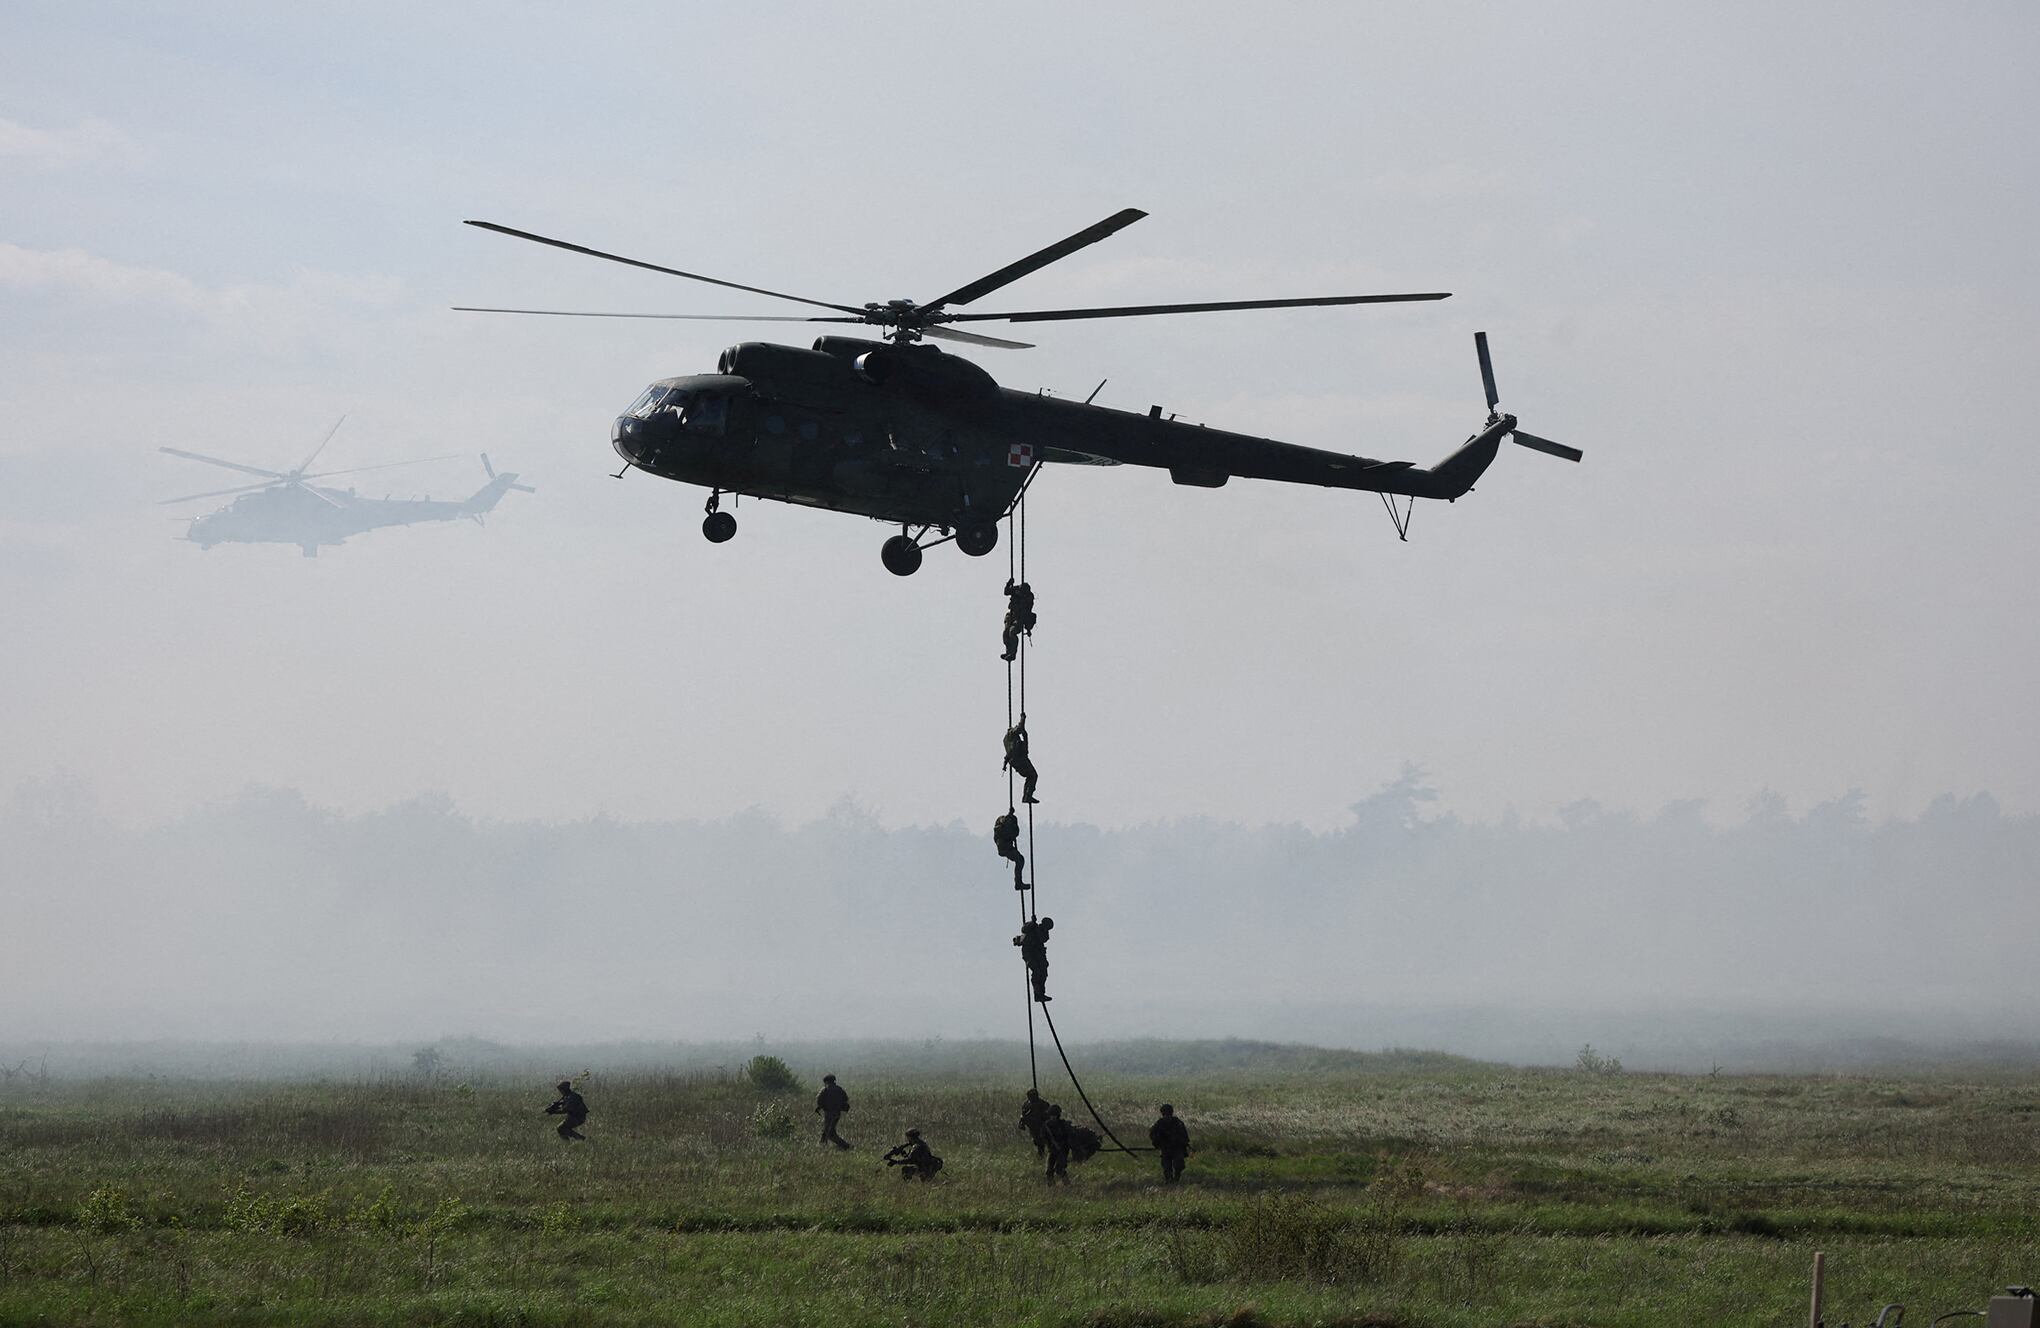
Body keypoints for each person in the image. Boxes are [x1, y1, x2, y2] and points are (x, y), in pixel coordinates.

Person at [1013, 916, 1053, 1002]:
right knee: (1037, 972)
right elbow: (1024, 929)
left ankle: (1041, 994)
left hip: (1038, 955)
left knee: (1043, 973)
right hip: (1029, 954)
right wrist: (1032, 923)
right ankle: (1037, 993)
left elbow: (1043, 938)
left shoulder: (1044, 934)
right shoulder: (1033, 927)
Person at [1149, 1103, 1190, 1183]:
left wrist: (1182, 1143)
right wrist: (1157, 1142)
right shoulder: (1160, 1123)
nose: (1167, 1115)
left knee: (1178, 1165)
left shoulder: (1177, 1122)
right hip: (1166, 1148)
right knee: (1167, 1166)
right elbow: (1153, 1134)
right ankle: (1169, 1180)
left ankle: (1175, 1179)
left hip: (1176, 1148)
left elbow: (1184, 1136)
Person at [1003, 715, 1039, 805]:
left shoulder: (1007, 740)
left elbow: (1021, 749)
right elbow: (1020, 728)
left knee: (1030, 776)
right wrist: (1023, 718)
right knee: (1033, 775)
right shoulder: (1011, 733)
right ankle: (1027, 795)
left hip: (1016, 762)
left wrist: (1025, 736)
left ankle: (1026, 796)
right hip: (1020, 760)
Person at [1001, 578, 1036, 662]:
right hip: (1012, 614)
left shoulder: (1029, 597)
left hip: (1019, 618)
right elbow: (1006, 592)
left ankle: (1012, 654)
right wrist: (1008, 584)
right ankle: (1008, 651)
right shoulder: (1017, 589)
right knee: (1006, 633)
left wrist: (1027, 628)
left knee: (1012, 632)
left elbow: (1027, 613)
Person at [815, 1072, 852, 1150]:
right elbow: (845, 1100)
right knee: (826, 1130)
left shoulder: (825, 1090)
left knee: (829, 1133)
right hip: (837, 1114)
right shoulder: (839, 1089)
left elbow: (819, 1100)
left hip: (828, 1114)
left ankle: (846, 1146)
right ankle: (821, 1146)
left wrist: (819, 1108)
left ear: (826, 1081)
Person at [992, 808, 1026, 890]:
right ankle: (1018, 883)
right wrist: (1010, 815)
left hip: (1007, 847)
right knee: (1019, 859)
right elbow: (1004, 822)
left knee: (1020, 859)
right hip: (1004, 847)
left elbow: (1016, 833)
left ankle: (1018, 882)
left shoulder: (1010, 826)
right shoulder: (1001, 822)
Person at [1017, 1088, 1052, 1157]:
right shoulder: (1026, 1104)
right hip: (1032, 1126)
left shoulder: (1043, 1104)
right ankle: (1041, 1154)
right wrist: (1022, 1123)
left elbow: (1049, 1115)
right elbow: (1023, 1114)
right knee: (1037, 1141)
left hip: (1042, 1125)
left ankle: (1047, 1154)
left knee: (1045, 1140)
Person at [1043, 1104, 1072, 1183]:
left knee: (1059, 1169)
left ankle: (1067, 1184)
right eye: (1051, 1115)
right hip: (1052, 1149)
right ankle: (1051, 1188)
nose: (1053, 1117)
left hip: (1062, 1150)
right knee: (1049, 1171)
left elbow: (1068, 1137)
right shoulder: (1047, 1125)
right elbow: (1044, 1138)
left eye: (1054, 1115)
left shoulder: (1063, 1125)